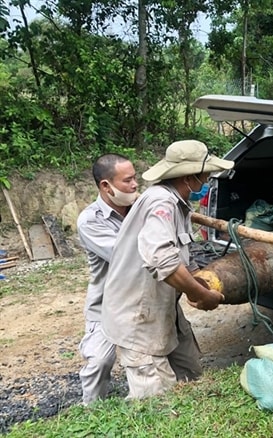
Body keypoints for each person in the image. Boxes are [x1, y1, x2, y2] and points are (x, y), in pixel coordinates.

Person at [101, 140, 234, 400]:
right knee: (157, 400)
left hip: (162, 309)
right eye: (205, 175)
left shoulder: (178, 202)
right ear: (189, 177)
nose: (207, 180)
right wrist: (201, 294)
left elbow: (181, 253)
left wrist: (201, 280)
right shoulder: (161, 204)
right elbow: (161, 258)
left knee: (192, 377)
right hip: (138, 315)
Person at [76, 153, 138, 405]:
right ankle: (92, 411)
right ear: (106, 186)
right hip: (108, 304)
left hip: (141, 300)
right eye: (128, 180)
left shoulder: (139, 207)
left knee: (157, 355)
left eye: (135, 179)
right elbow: (127, 255)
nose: (135, 185)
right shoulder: (90, 221)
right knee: (100, 361)